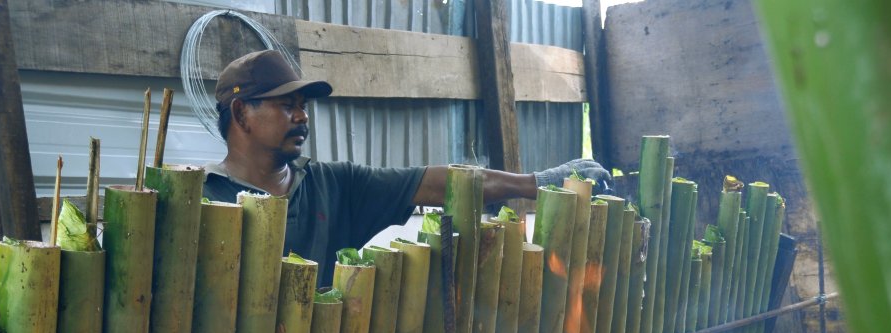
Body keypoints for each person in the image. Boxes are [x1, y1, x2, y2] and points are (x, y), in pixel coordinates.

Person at [203, 49, 612, 286]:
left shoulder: (332, 184)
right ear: (241, 114)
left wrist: (538, 182)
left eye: (304, 106)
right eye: (286, 105)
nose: (302, 117)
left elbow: (440, 182)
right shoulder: (202, 200)